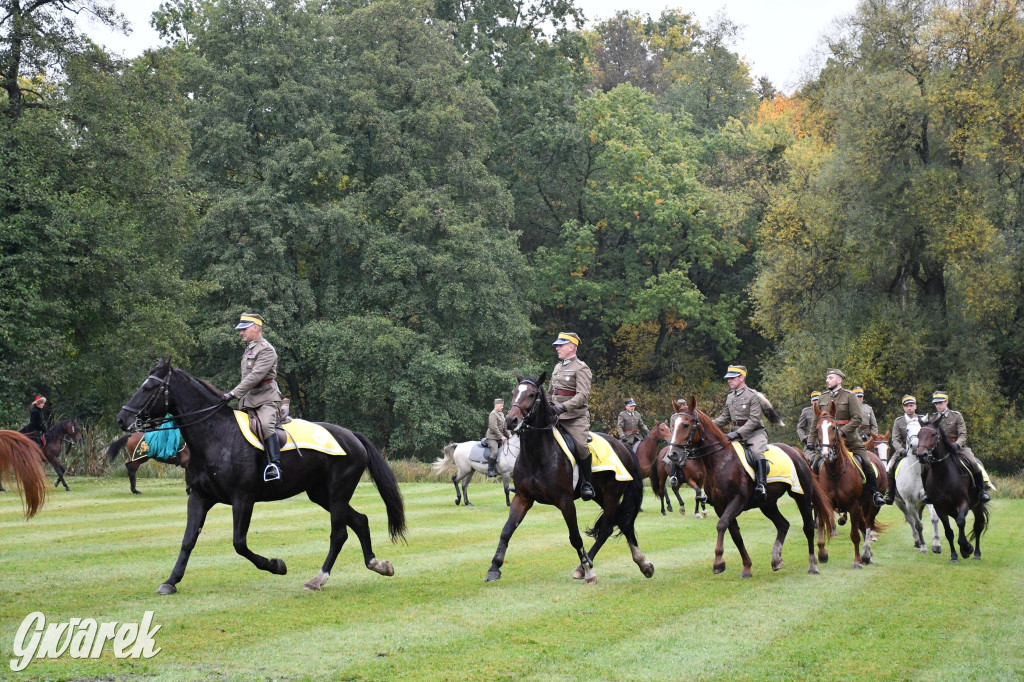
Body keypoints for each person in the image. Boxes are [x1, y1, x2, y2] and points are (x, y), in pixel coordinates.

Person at [221, 313, 285, 482]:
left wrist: (233, 393)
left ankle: (274, 466)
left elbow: (255, 376)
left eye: (244, 329)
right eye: (240, 330)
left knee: (265, 425)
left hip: (266, 398)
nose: (241, 333)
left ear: (255, 328)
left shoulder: (266, 349)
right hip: (248, 400)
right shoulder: (250, 348)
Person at [810, 368, 885, 507]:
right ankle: (814, 496)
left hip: (850, 440)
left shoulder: (850, 396)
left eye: (830, 378)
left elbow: (857, 418)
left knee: (867, 463)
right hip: (829, 442)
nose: (827, 380)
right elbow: (817, 421)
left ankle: (875, 493)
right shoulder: (823, 397)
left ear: (839, 380)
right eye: (827, 378)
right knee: (814, 464)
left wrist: (842, 432)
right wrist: (810, 440)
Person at [548, 332, 595, 500]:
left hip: (575, 419)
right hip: (554, 417)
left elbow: (582, 395)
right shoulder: (557, 368)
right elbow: (550, 394)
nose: (557, 348)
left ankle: (586, 483)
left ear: (571, 347)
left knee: (582, 446)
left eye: (560, 345)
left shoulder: (581, 367)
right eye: (557, 345)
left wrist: (564, 407)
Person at [712, 364, 769, 501]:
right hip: (736, 434)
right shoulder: (730, 397)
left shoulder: (753, 395)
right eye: (728, 378)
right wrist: (707, 424)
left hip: (755, 433)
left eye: (732, 378)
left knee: (756, 452)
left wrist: (736, 434)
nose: (729, 381)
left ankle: (762, 485)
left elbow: (754, 420)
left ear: (741, 377)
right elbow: (725, 418)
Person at [927, 390, 991, 503]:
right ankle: (927, 493)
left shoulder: (956, 416)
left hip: (958, 447)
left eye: (940, 403)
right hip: (939, 450)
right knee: (925, 465)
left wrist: (956, 444)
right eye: (936, 403)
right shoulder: (932, 418)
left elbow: (963, 434)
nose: (938, 405)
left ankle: (982, 491)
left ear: (946, 401)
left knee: (973, 462)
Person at [883, 395, 920, 504]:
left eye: (911, 405)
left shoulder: (921, 419)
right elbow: (895, 440)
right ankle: (890, 493)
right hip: (902, 451)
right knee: (889, 467)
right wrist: (901, 450)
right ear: (903, 408)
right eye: (906, 406)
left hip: (920, 450)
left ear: (915, 407)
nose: (909, 408)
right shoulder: (898, 421)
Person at [485, 398, 510, 478]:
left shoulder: (501, 414)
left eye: (502, 405)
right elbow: (493, 427)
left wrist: (509, 435)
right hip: (492, 438)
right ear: (496, 405)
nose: (502, 407)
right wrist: (502, 436)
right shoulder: (493, 414)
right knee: (495, 452)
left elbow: (505, 427)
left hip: (499, 437)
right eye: (501, 405)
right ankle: (490, 470)